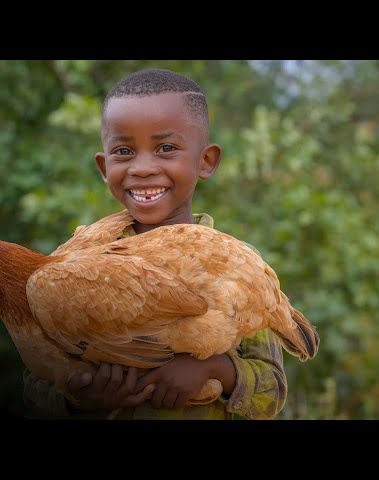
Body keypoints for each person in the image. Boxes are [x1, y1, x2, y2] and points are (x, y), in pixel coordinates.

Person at [23, 68, 287, 420]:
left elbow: (272, 389)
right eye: (123, 151)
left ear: (206, 161)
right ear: (104, 167)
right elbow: (37, 378)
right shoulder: (73, 266)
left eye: (166, 148)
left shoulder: (238, 265)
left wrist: (215, 370)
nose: (143, 168)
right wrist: (82, 399)